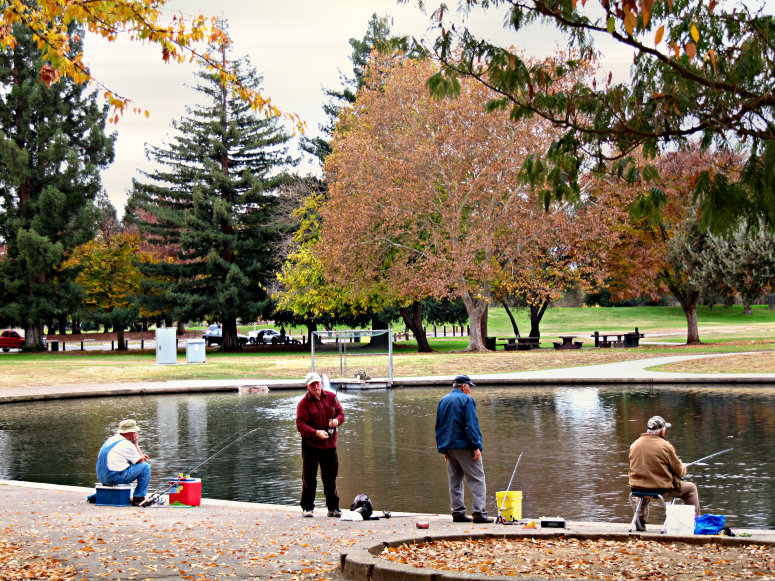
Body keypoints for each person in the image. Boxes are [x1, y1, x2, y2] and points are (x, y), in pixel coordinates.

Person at [435, 374, 494, 523]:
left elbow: (439, 426)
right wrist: (475, 446)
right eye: (469, 387)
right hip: (465, 446)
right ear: (463, 386)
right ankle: (479, 513)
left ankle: (457, 512)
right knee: (477, 479)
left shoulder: (443, 400)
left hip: (449, 447)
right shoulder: (466, 400)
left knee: (454, 480)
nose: (470, 391)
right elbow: (471, 425)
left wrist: (443, 449)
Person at [629, 415, 701, 531]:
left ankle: (640, 520)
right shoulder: (666, 446)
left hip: (637, 488)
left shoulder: (635, 444)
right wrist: (683, 467)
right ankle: (696, 522)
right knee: (691, 488)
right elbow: (679, 472)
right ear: (662, 431)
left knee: (644, 485)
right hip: (661, 489)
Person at [296, 371, 344, 518]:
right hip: (311, 445)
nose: (316, 386)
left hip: (330, 444)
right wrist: (316, 432)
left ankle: (333, 507)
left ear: (321, 383)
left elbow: (341, 414)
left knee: (330, 477)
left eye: (317, 383)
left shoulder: (331, 397)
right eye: (312, 384)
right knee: (309, 477)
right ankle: (307, 508)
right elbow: (300, 424)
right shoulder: (303, 403)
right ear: (307, 387)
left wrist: (336, 421)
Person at [95, 419, 151, 507]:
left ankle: (107, 492)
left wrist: (139, 456)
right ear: (131, 433)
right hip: (113, 477)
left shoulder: (111, 439)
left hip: (102, 477)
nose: (136, 434)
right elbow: (141, 461)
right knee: (145, 467)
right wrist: (135, 443)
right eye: (135, 432)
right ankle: (138, 498)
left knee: (129, 465)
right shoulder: (127, 444)